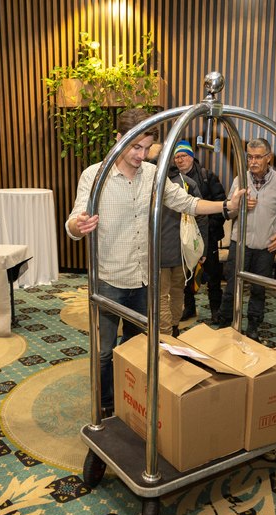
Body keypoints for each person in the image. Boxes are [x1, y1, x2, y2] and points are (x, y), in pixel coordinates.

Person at [65, 108, 246, 414]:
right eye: (136, 147)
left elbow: (186, 202)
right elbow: (73, 221)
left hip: (144, 280)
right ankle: (105, 404)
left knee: (138, 348)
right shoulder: (94, 175)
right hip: (109, 281)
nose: (141, 155)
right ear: (119, 139)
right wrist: (77, 226)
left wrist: (226, 206)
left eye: (147, 148)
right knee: (104, 351)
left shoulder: (152, 175)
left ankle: (131, 400)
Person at [215, 137, 276, 342]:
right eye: (250, 157)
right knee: (231, 288)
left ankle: (253, 327)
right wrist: (238, 206)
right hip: (240, 245)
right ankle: (225, 325)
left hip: (265, 247)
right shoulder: (240, 180)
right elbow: (227, 213)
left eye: (258, 157)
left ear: (268, 158)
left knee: (259, 290)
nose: (253, 162)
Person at [171, 140, 227, 324]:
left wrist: (210, 227)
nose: (180, 160)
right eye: (177, 157)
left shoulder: (206, 176)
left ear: (191, 157)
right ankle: (189, 308)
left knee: (213, 276)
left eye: (183, 156)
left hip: (208, 236)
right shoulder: (172, 179)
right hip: (183, 236)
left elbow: (221, 204)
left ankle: (215, 310)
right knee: (186, 275)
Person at [158, 141, 207, 337]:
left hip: (159, 250)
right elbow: (201, 217)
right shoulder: (188, 183)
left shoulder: (152, 183)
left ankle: (164, 333)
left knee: (161, 294)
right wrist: (202, 248)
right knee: (178, 290)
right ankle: (175, 327)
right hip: (183, 250)